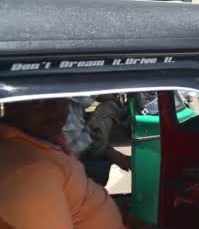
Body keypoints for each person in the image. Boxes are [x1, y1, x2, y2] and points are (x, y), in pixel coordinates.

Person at [0, 98, 134, 228]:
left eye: (62, 99)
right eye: (38, 102)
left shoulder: (45, 138)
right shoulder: (30, 173)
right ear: (10, 102)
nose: (56, 110)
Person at [63, 95, 131, 186]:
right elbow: (94, 96)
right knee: (110, 107)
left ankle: (110, 152)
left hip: (71, 142)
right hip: (74, 146)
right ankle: (112, 154)